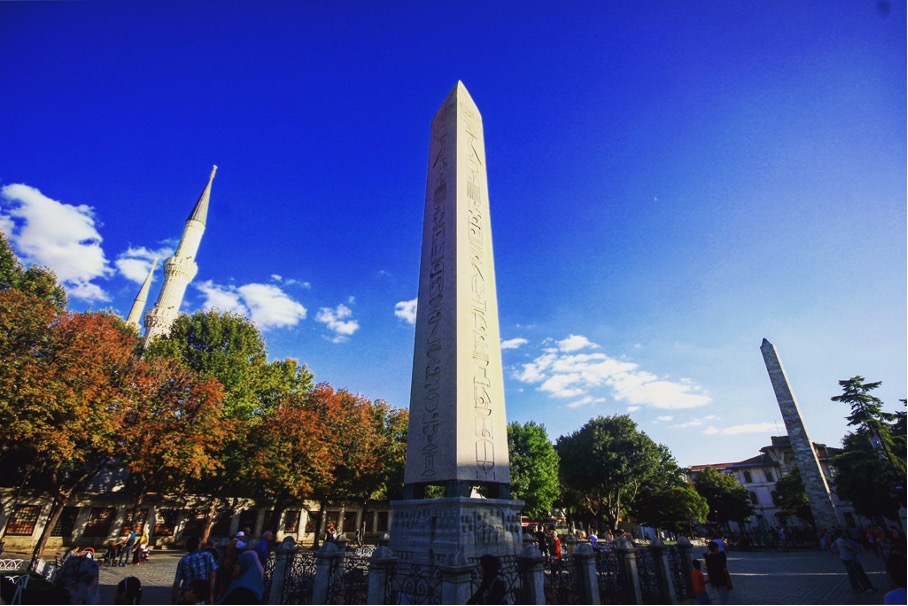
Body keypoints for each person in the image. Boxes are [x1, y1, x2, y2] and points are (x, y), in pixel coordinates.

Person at [172, 535, 218, 605]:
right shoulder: (208, 556)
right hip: (202, 594)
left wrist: (174, 600)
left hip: (187, 594)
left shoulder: (183, 561)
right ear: (198, 545)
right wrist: (210, 595)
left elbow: (176, 583)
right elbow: (212, 576)